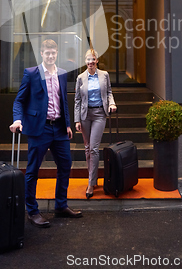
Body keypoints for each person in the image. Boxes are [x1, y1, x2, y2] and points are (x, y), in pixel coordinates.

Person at [9, 39, 82, 228]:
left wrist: (67, 124)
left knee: (65, 164)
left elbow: (63, 100)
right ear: (41, 54)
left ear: (57, 53)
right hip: (38, 129)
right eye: (47, 53)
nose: (50, 56)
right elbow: (19, 101)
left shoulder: (62, 74)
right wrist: (18, 120)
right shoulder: (32, 73)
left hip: (58, 128)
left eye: (53, 53)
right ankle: (32, 211)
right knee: (33, 170)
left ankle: (61, 205)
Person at [74, 49, 117, 199]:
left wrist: (112, 104)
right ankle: (93, 178)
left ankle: (91, 184)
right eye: (88, 59)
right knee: (87, 149)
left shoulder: (104, 75)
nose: (90, 62)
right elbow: (77, 100)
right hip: (85, 115)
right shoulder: (80, 78)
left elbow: (109, 92)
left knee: (93, 148)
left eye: (93, 59)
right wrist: (77, 120)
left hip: (99, 114)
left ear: (97, 60)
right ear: (85, 61)